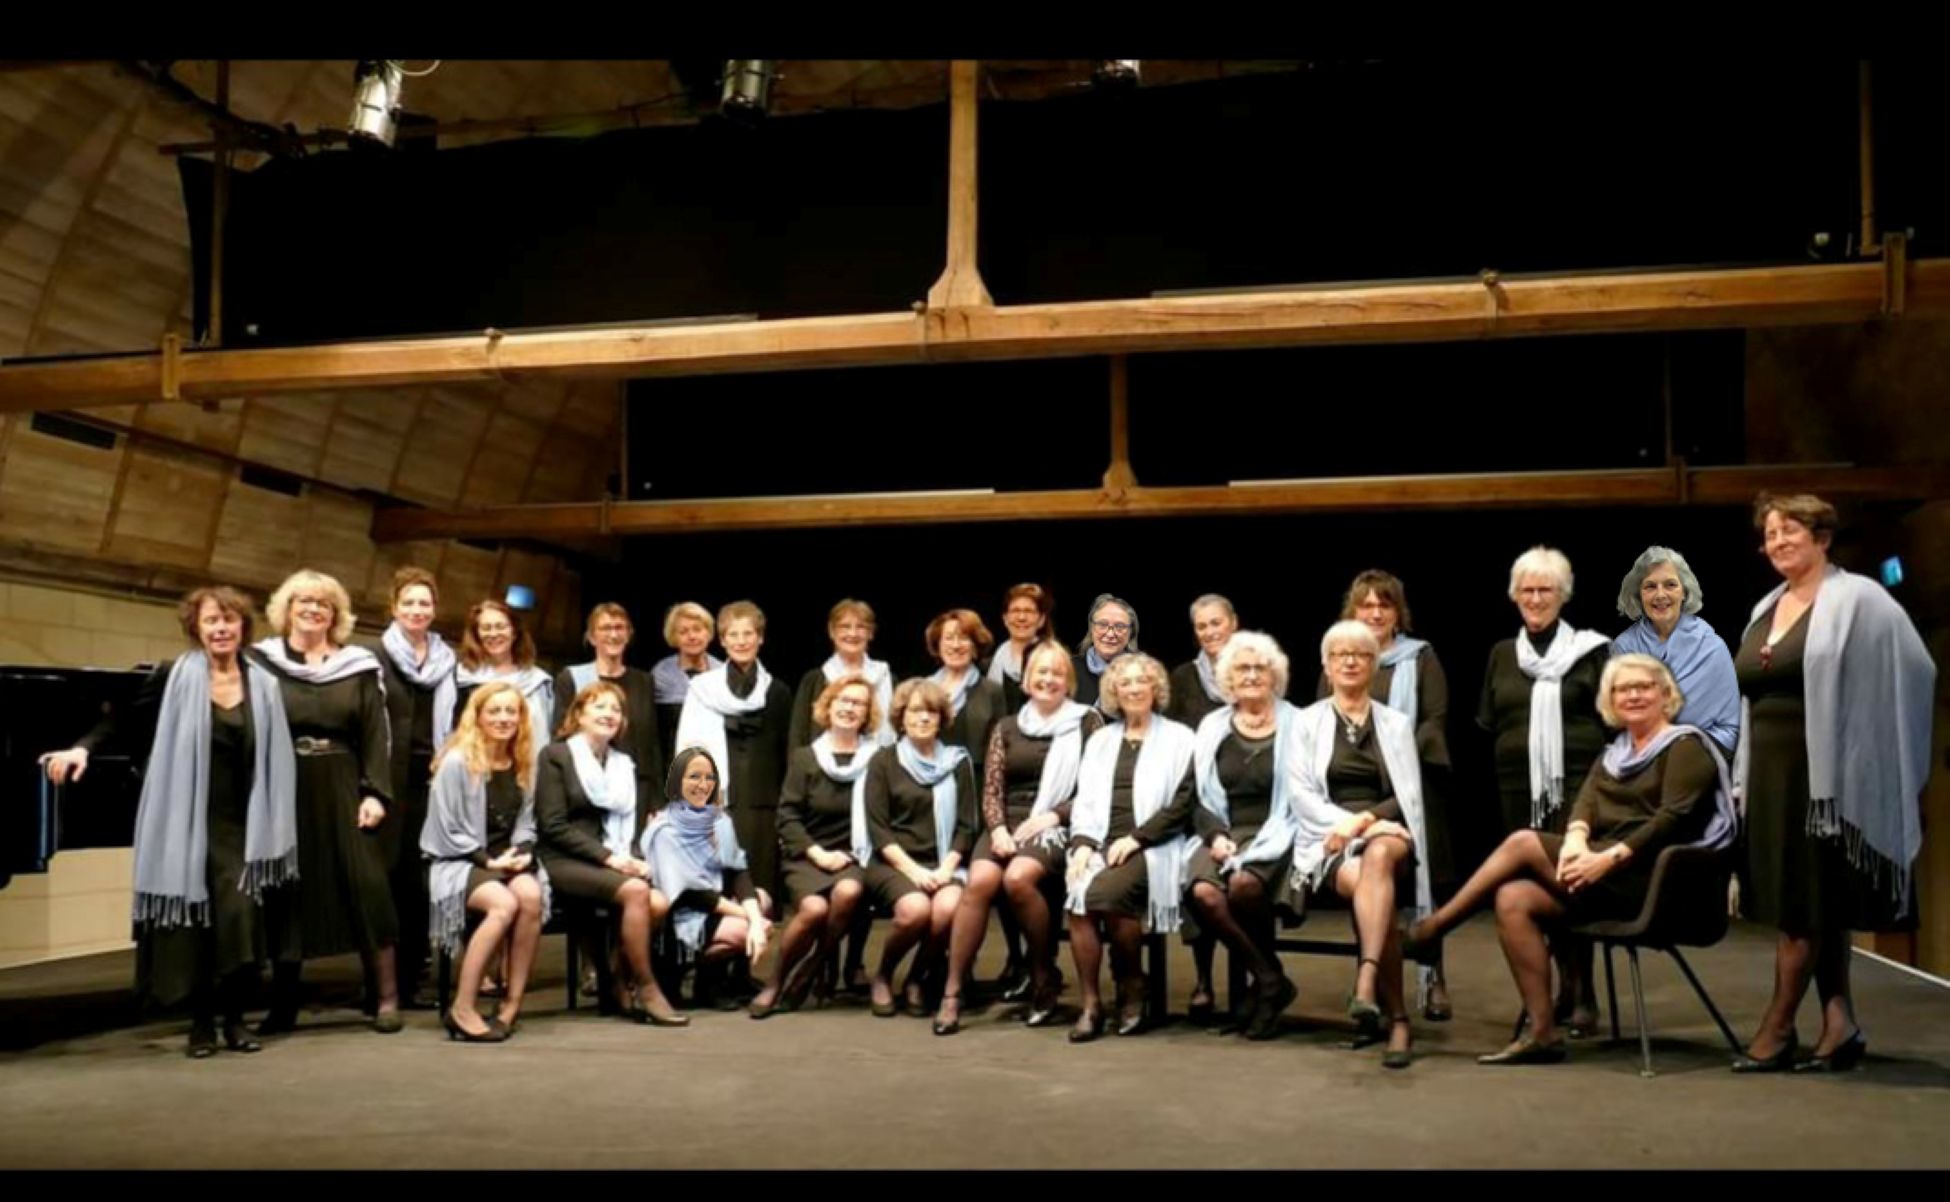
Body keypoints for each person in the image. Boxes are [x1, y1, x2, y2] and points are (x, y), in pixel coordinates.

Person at [1406, 653, 1735, 1065]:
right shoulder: (1615, 753)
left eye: (1643, 687)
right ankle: (1542, 1033)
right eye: (1622, 689)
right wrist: (1578, 840)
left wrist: (1608, 858)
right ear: (1610, 700)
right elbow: (1585, 805)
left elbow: (1672, 819)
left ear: (1665, 695)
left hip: (1650, 880)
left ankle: (1434, 928)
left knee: (1523, 842)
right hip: (1601, 876)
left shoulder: (1685, 747)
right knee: (1513, 898)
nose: (1633, 695)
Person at [42, 586, 297, 1058]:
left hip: (244, 823)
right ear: (195, 627)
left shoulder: (264, 685)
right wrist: (82, 749)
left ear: (243, 627)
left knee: (239, 918)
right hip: (186, 820)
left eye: (229, 620)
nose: (220, 628)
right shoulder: (171, 677)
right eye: (211, 620)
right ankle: (202, 1025)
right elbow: (121, 721)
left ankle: (235, 1020)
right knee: (198, 925)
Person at [1730, 493, 1935, 1073]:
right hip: (1773, 777)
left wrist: (1865, 741)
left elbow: (1915, 667)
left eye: (1790, 530)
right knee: (1817, 905)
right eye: (1770, 534)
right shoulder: (1767, 606)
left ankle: (1776, 1030)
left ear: (1821, 537)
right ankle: (1840, 1024)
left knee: (1804, 907)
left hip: (1824, 782)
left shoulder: (1859, 598)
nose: (1777, 542)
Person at [248, 569, 400, 1035]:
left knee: (368, 886)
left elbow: (375, 733)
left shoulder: (358, 665)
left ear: (336, 615)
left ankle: (386, 998)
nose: (313, 609)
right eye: (304, 601)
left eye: (323, 604)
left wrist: (375, 792)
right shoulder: (262, 662)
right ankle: (284, 1004)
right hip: (285, 784)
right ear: (287, 609)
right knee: (287, 890)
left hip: (343, 782)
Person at [933, 641, 1104, 1035]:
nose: (1048, 679)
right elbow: (992, 789)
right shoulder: (1007, 726)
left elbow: (1095, 789)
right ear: (1027, 680)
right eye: (1041, 672)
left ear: (1068, 681)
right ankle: (952, 992)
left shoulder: (1087, 722)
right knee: (980, 880)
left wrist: (1052, 816)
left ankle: (1042, 971)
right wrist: (997, 829)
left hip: (1060, 822)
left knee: (1017, 877)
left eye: (1056, 673)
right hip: (1007, 821)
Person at [1477, 545, 1610, 1034]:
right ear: (1514, 596)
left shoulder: (1592, 651)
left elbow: (1614, 721)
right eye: (1527, 590)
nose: (1535, 599)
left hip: (1578, 787)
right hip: (1517, 788)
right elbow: (1490, 720)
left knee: (1569, 882)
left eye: (1545, 590)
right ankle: (1550, 992)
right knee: (1530, 890)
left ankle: (1582, 989)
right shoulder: (1501, 655)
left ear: (1563, 595)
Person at [1316, 570, 1457, 1021]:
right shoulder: (1340, 659)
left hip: (1411, 786)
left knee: (1424, 886)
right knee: (1367, 880)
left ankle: (1433, 977)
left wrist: (1398, 755)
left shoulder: (1420, 657)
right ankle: (1373, 976)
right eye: (1367, 605)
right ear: (1353, 611)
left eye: (1385, 605)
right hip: (1353, 795)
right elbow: (1322, 722)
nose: (1375, 613)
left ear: (1398, 612)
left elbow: (1434, 719)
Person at [1292, 620, 1429, 1069]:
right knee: (1375, 890)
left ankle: (1369, 982)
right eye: (1341, 654)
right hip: (1329, 839)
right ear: (1326, 665)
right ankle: (1396, 1018)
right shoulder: (1306, 722)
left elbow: (1407, 795)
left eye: (1361, 655)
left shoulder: (1395, 723)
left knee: (1380, 856)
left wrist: (1368, 822)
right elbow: (1301, 796)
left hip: (1389, 832)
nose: (1350, 661)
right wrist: (1352, 827)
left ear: (1374, 665)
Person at [534, 681, 687, 1026]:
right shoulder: (556, 756)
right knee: (636, 892)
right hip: (563, 859)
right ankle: (646, 988)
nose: (609, 714)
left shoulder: (622, 764)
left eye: (615, 709)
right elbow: (553, 826)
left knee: (659, 902)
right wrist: (611, 859)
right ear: (579, 715)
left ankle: (615, 977)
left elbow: (628, 824)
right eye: (599, 706)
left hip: (610, 858)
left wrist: (633, 858)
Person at [1062, 654, 1196, 1041]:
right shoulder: (1101, 740)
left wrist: (1136, 839)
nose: (1134, 689)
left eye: (1142, 681)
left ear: (1156, 688)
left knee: (1105, 893)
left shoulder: (1180, 738)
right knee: (1078, 900)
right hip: (1101, 841)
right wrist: (1083, 845)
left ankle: (1132, 983)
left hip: (1152, 844)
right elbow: (1085, 799)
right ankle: (1092, 1004)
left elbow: (1183, 803)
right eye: (1125, 683)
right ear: (1114, 693)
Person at [1186, 631, 1303, 1040]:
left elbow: (1310, 792)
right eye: (1242, 669)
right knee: (1204, 892)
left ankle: (1265, 983)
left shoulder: (1300, 723)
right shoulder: (1212, 726)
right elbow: (1196, 797)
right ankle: (1270, 977)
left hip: (1282, 828)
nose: (1251, 675)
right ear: (1228, 679)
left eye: (1260, 668)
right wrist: (1216, 835)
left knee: (1243, 885)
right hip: (1224, 829)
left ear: (1275, 676)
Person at [422, 682, 549, 1042]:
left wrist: (522, 850)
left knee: (531, 896)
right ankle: (462, 1008)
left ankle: (510, 1006)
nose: (503, 718)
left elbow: (527, 821)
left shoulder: (524, 762)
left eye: (511, 711)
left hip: (506, 858)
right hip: (458, 859)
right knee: (503, 904)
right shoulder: (456, 762)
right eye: (494, 711)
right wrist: (489, 862)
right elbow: (444, 829)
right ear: (477, 717)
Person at [750, 675, 880, 1018]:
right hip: (807, 855)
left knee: (848, 892)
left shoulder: (878, 759)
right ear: (829, 706)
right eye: (843, 700)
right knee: (814, 910)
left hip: (855, 855)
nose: (850, 708)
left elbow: (882, 816)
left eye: (858, 703)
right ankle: (776, 981)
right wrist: (816, 853)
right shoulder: (806, 758)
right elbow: (787, 816)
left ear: (867, 714)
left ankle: (812, 965)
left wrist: (849, 855)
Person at [861, 679, 978, 1018]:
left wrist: (945, 869)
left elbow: (967, 826)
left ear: (941, 719)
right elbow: (879, 829)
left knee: (947, 909)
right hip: (893, 862)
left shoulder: (958, 762)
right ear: (901, 717)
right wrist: (914, 872)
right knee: (915, 910)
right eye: (915, 711)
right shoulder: (883, 761)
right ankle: (883, 975)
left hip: (943, 862)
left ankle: (916, 978)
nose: (923, 718)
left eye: (931, 712)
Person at [674, 601, 793, 906]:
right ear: (723, 641)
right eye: (733, 634)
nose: (741, 641)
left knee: (762, 893)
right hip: (718, 799)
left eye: (748, 634)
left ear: (760, 638)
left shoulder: (777, 691)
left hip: (763, 803)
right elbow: (689, 746)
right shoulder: (703, 689)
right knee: (722, 890)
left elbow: (786, 752)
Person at [640, 747, 775, 1005]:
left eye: (708, 777)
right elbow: (690, 893)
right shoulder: (665, 829)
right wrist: (750, 918)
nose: (702, 785)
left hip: (714, 905)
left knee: (762, 899)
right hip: (681, 915)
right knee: (744, 929)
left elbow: (738, 871)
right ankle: (690, 979)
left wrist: (756, 917)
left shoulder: (721, 821)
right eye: (694, 777)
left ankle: (727, 981)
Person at [377, 565, 455, 1009]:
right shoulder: (373, 656)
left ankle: (415, 976)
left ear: (435, 609)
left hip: (432, 780)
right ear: (394, 607)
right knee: (387, 878)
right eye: (408, 602)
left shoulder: (447, 660)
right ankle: (382, 982)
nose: (416, 610)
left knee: (421, 880)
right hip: (387, 780)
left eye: (424, 602)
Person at [1611, 547, 1740, 755]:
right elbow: (1617, 719)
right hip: (1640, 753)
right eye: (1650, 586)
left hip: (1703, 751)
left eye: (1670, 585)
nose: (1660, 595)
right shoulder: (1623, 648)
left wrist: (1686, 750)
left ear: (1684, 592)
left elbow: (1730, 727)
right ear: (1638, 595)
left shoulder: (1712, 647)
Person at [553, 602, 666, 810]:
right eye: (605, 628)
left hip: (636, 791)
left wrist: (656, 802)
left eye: (619, 627)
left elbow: (651, 743)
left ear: (629, 635)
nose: (613, 635)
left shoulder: (644, 681)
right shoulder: (571, 678)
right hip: (587, 788)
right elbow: (561, 735)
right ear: (591, 637)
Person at [456, 600, 554, 774]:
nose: (493, 633)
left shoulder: (538, 682)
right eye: (486, 628)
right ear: (477, 634)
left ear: (514, 632)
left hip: (523, 771)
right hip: (471, 769)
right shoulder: (461, 678)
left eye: (501, 627)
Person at [790, 598, 896, 749]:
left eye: (861, 627)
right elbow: (798, 735)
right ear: (831, 631)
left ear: (871, 633)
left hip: (879, 761)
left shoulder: (887, 679)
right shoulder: (814, 680)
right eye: (845, 627)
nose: (852, 633)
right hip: (823, 762)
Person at [927, 608, 1006, 761]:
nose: (956, 645)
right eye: (949, 638)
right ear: (938, 646)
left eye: (963, 638)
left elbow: (998, 749)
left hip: (975, 774)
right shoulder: (922, 690)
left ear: (975, 646)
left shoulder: (991, 691)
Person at [652, 602, 720, 769]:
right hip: (673, 764)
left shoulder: (722, 673)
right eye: (683, 632)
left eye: (697, 629)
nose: (692, 636)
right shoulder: (661, 675)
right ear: (673, 637)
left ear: (708, 632)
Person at [1167, 593, 1236, 730]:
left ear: (1234, 623)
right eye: (1201, 627)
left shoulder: (1255, 669)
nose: (1209, 633)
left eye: (1216, 623)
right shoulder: (1183, 677)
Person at [988, 583, 1055, 714]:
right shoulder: (993, 661)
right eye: (1015, 611)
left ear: (1041, 619)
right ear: (1005, 618)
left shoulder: (1055, 659)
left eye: (1028, 611)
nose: (1021, 618)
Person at [1072, 594, 1139, 709]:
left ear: (1131, 632)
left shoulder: (1143, 673)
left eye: (1120, 626)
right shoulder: (1068, 669)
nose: (1110, 634)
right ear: (1091, 628)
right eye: (1102, 625)